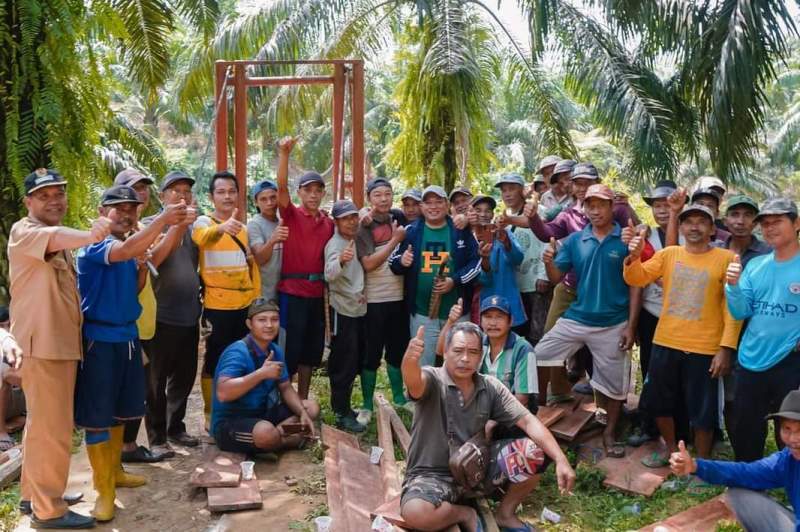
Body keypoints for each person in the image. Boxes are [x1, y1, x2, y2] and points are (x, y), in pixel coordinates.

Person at [76, 184, 187, 522]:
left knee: (122, 414)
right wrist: (164, 221)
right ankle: (104, 491)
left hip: (127, 336)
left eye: (132, 208)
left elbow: (135, 287)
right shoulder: (95, 244)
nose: (126, 213)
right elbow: (121, 253)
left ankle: (116, 472)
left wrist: (141, 267)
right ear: (101, 211)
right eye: (119, 208)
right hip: (99, 339)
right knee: (98, 416)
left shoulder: (128, 245)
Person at [399, 321, 575, 532]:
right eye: (458, 351)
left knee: (533, 453)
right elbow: (415, 383)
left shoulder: (490, 387)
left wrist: (561, 459)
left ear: (481, 356)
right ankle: (465, 513)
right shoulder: (433, 379)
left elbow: (528, 420)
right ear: (445, 353)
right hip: (431, 476)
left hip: (476, 470)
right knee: (416, 512)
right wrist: (409, 361)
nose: (465, 358)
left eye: (473, 352)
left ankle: (505, 514)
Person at [8, 168, 107, 528]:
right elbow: (55, 236)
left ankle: (34, 495)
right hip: (45, 346)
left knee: (42, 425)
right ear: (29, 202)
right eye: (45, 195)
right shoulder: (26, 231)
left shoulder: (52, 242)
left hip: (56, 345)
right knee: (53, 428)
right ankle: (49, 510)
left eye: (59, 194)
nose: (55, 201)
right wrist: (90, 234)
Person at [624, 203, 741, 469]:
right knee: (659, 402)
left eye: (702, 222)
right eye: (689, 222)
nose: (695, 227)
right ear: (682, 227)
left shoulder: (726, 259)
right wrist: (634, 256)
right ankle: (670, 450)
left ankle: (702, 462)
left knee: (703, 410)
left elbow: (732, 309)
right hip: (666, 342)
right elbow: (638, 277)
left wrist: (725, 348)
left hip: (704, 347)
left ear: (713, 229)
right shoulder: (669, 254)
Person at [535, 184, 638, 458]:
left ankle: (609, 432)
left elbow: (636, 284)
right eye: (590, 205)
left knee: (615, 385)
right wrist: (548, 261)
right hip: (578, 318)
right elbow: (557, 277)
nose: (595, 210)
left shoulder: (626, 240)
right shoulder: (575, 240)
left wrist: (631, 325)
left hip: (613, 322)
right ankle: (540, 412)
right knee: (540, 355)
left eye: (600, 205)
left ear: (610, 207)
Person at [525, 162, 637, 403]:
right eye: (578, 182)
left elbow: (636, 233)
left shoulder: (616, 209)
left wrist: (636, 232)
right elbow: (547, 234)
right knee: (548, 344)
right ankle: (551, 397)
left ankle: (602, 403)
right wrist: (533, 217)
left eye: (588, 182)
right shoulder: (568, 215)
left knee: (605, 355)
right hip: (571, 288)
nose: (583, 187)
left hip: (608, 297)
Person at [725, 198, 800, 462]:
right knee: (746, 424)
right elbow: (740, 311)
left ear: (797, 224)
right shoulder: (756, 266)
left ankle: (791, 477)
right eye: (765, 224)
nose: (769, 228)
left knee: (792, 426)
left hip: (790, 360)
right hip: (750, 358)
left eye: (777, 221)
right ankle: (748, 479)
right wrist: (732, 285)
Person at [670, 389, 800, 532]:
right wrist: (696, 466)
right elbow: (746, 472)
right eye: (787, 429)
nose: (793, 438)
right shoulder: (787, 460)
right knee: (739, 494)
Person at [112, 168, 174, 463]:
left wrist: (176, 227)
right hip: (125, 327)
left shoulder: (139, 232)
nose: (141, 195)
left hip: (145, 322)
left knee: (140, 388)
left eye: (143, 189)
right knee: (129, 389)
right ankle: (120, 451)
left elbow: (151, 267)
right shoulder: (114, 236)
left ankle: (128, 448)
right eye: (133, 189)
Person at [192, 170, 260, 428]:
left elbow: (250, 268)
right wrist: (221, 227)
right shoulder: (203, 222)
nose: (227, 196)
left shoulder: (243, 229)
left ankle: (236, 409)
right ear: (211, 197)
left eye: (232, 191)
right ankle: (211, 414)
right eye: (221, 192)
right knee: (215, 358)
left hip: (243, 306)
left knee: (242, 356)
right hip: (216, 306)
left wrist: (255, 301)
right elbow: (201, 239)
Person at [142, 171, 202, 456]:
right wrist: (176, 225)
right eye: (175, 191)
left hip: (189, 314)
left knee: (185, 375)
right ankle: (156, 438)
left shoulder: (193, 228)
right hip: (160, 315)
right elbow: (155, 258)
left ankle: (175, 426)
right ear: (163, 197)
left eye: (186, 191)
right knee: (155, 380)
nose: (182, 195)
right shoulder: (150, 225)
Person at [212, 299, 319, 454]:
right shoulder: (237, 352)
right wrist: (260, 374)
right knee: (265, 433)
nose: (269, 325)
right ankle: (286, 440)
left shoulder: (275, 350)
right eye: (262, 320)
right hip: (230, 424)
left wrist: (302, 413)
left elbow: (285, 387)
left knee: (311, 407)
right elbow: (223, 393)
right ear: (249, 324)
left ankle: (277, 435)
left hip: (261, 415)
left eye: (274, 320)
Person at [389, 185, 481, 367]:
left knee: (459, 365)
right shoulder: (412, 231)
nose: (433, 207)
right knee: (424, 366)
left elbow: (476, 263)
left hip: (456, 313)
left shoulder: (459, 229)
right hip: (422, 314)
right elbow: (393, 262)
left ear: (447, 205)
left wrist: (454, 281)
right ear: (421, 207)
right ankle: (423, 396)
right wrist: (403, 261)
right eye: (428, 202)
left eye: (438, 201)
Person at [625, 181, 685, 447]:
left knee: (680, 376)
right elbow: (638, 283)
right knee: (649, 371)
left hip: (681, 316)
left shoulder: (690, 234)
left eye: (667, 205)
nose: (662, 210)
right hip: (651, 312)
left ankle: (684, 432)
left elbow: (672, 263)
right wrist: (632, 324)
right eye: (657, 205)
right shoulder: (645, 238)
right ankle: (647, 425)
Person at [275, 137, 334, 400]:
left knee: (311, 352)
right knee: (289, 350)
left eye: (317, 190)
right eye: (307, 190)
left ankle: (304, 401)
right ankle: (283, 402)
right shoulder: (292, 215)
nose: (313, 195)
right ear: (300, 193)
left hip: (316, 294)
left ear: (323, 193)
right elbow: (280, 188)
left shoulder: (328, 223)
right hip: (292, 292)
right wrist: (284, 154)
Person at [713, 194, 771, 448]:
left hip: (753, 339)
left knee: (746, 401)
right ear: (725, 219)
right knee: (724, 397)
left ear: (755, 221)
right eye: (735, 214)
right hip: (715, 334)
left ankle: (750, 457)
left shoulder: (767, 254)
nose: (740, 221)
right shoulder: (714, 250)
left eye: (747, 215)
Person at [356, 178, 409, 425]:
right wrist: (395, 241)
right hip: (373, 298)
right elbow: (368, 263)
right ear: (369, 198)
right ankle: (367, 405)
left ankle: (399, 398)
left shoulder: (397, 217)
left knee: (397, 350)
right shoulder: (363, 225)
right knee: (371, 353)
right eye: (377, 195)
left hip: (398, 297)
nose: (383, 199)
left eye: (388, 194)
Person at [324, 200, 368, 432]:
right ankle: (340, 412)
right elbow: (329, 274)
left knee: (353, 361)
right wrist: (341, 259)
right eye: (345, 218)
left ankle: (345, 407)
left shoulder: (351, 239)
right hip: (342, 311)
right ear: (336, 222)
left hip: (355, 309)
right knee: (343, 362)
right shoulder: (335, 244)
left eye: (354, 217)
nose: (351, 221)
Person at [494, 174, 551, 347]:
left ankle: (538, 371)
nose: (508, 194)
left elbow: (547, 241)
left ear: (522, 190)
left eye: (512, 189)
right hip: (514, 286)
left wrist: (544, 274)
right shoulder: (502, 218)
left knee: (538, 332)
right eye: (504, 190)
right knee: (517, 332)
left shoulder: (536, 212)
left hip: (535, 282)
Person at [472, 194, 527, 328]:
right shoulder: (468, 240)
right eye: (478, 210)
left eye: (487, 210)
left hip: (508, 301)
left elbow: (518, 259)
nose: (483, 214)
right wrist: (484, 258)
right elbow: (480, 279)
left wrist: (506, 241)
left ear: (492, 214)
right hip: (481, 305)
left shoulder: (504, 233)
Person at [248, 179, 288, 304]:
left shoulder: (285, 220)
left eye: (273, 197)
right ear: (256, 202)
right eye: (263, 199)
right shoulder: (254, 224)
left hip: (287, 290)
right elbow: (259, 258)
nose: (269, 203)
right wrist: (272, 240)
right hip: (264, 294)